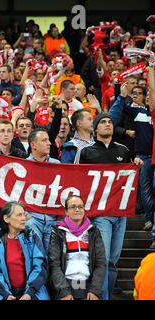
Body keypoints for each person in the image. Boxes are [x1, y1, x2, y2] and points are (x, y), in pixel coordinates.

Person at [79, 113, 143, 300]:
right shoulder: (85, 151)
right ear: (95, 128)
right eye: (103, 122)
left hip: (120, 213)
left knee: (113, 261)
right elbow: (76, 180)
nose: (107, 125)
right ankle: (101, 296)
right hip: (100, 214)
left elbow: (130, 176)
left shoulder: (123, 150)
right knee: (103, 259)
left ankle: (103, 294)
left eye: (110, 122)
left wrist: (136, 163)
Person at [109, 82, 154, 233]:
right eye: (145, 95)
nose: (147, 97)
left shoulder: (153, 112)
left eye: (148, 95)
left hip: (152, 155)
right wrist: (118, 89)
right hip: (143, 156)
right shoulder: (137, 112)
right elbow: (121, 105)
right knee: (145, 189)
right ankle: (149, 219)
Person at [0, 201, 50, 300]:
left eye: (24, 214)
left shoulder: (32, 236)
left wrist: (29, 293)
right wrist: (6, 294)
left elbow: (40, 266)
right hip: (3, 291)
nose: (24, 218)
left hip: (31, 290)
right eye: (19, 215)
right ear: (6, 219)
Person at [48, 195, 107, 300]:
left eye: (80, 207)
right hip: (65, 285)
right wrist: (64, 292)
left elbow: (101, 262)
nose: (77, 210)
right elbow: (54, 264)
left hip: (88, 285)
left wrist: (95, 290)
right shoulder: (58, 231)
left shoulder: (93, 231)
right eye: (73, 207)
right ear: (66, 211)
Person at [25, 128, 61, 252]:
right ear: (33, 145)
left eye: (49, 140)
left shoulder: (57, 164)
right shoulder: (23, 166)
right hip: (32, 219)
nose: (49, 143)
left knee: (53, 262)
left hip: (53, 220)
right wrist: (25, 216)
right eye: (44, 140)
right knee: (35, 259)